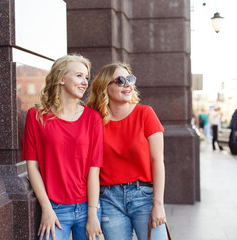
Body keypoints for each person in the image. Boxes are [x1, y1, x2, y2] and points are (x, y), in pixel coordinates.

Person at [22, 54, 103, 240]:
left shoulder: (93, 119)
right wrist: (46, 208)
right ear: (61, 79)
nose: (85, 82)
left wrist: (92, 214)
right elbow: (32, 167)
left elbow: (94, 170)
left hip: (87, 207)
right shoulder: (37, 116)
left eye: (86, 77)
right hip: (54, 208)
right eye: (79, 76)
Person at [87, 63, 168, 240]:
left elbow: (157, 161)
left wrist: (158, 203)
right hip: (109, 199)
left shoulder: (145, 113)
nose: (127, 84)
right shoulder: (95, 121)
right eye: (120, 80)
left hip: (144, 197)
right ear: (104, 88)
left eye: (130, 79)